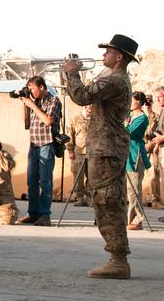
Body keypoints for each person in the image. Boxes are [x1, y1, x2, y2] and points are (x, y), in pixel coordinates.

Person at [62, 34, 138, 279]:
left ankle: (118, 260)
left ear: (119, 57)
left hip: (107, 150)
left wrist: (72, 72)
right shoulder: (111, 78)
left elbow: (82, 96)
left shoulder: (115, 81)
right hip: (104, 149)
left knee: (108, 201)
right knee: (104, 201)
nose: (103, 55)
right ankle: (116, 258)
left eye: (108, 52)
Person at [18, 76, 62, 226]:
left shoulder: (53, 101)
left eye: (33, 88)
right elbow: (26, 124)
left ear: (42, 87)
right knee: (31, 182)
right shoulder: (33, 102)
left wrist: (32, 105)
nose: (31, 91)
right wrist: (25, 104)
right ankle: (33, 213)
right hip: (34, 145)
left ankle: (45, 215)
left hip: (47, 144)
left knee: (45, 181)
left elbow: (48, 121)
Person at [125, 92, 150, 230]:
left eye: (132, 100)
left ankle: (137, 220)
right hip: (125, 154)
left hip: (135, 155)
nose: (130, 102)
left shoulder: (142, 119)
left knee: (134, 190)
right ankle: (126, 218)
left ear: (139, 102)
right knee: (126, 190)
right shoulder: (129, 116)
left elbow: (129, 132)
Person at [66, 105, 92, 206]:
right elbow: (69, 136)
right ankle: (80, 198)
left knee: (92, 176)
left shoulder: (97, 120)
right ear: (84, 106)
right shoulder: (75, 120)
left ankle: (90, 198)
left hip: (92, 153)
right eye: (88, 105)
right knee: (78, 176)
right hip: (79, 153)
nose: (90, 107)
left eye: (92, 105)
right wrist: (70, 150)